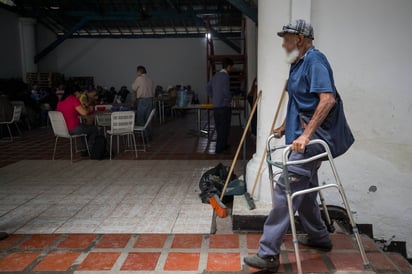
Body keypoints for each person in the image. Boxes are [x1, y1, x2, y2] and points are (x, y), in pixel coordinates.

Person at [244, 20, 341, 272]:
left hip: (313, 141)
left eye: (286, 38)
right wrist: (285, 127)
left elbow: (327, 100)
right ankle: (319, 238)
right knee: (306, 192)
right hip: (300, 139)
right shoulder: (298, 64)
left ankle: (268, 254)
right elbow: (300, 102)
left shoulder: (316, 61)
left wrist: (306, 136)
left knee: (284, 190)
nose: (283, 43)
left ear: (300, 38)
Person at [56, 87, 98, 154]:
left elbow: (70, 111)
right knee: (94, 129)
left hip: (62, 129)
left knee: (84, 128)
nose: (81, 94)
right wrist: (90, 109)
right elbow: (84, 112)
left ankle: (84, 149)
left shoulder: (60, 101)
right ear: (75, 93)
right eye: (80, 92)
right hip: (73, 128)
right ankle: (90, 148)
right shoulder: (73, 99)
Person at [207, 58, 234, 153]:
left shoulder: (215, 75)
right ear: (229, 67)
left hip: (216, 106)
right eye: (231, 68)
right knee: (225, 127)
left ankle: (223, 145)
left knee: (219, 127)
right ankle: (220, 148)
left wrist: (212, 96)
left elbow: (207, 87)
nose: (232, 70)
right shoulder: (225, 76)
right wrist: (229, 98)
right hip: (224, 105)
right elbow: (226, 91)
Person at [131, 65, 154, 137]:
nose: (136, 73)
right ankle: (149, 134)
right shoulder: (150, 79)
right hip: (150, 100)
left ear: (139, 71)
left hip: (142, 100)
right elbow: (153, 91)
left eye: (137, 72)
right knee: (148, 118)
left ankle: (143, 135)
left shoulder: (139, 78)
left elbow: (133, 88)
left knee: (141, 118)